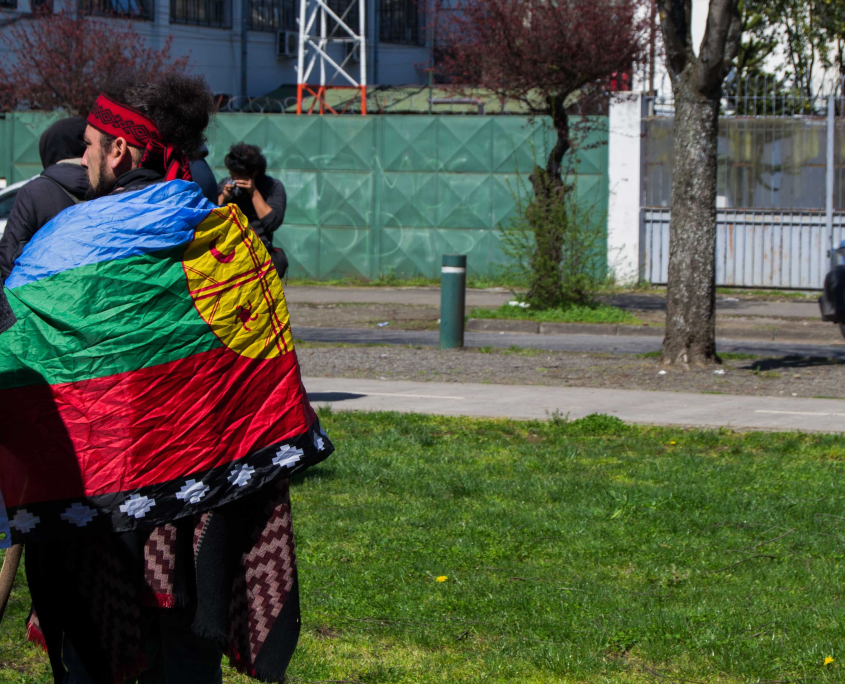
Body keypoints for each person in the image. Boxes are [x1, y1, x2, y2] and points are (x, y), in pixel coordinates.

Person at [13, 74, 329, 684]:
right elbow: (259, 364)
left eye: (90, 143)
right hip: (199, 500)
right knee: (187, 658)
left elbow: (22, 353)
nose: (83, 155)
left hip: (100, 499)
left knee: (92, 654)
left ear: (120, 151)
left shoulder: (64, 244)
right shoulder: (227, 239)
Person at [0, 117, 89, 280]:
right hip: (100, 292)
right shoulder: (114, 187)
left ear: (48, 150)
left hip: (46, 292)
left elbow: (10, 258)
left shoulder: (34, 192)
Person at [218, 143, 289, 277]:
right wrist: (224, 197)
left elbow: (272, 223)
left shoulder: (272, 187)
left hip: (258, 251)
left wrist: (253, 192)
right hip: (228, 251)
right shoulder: (226, 184)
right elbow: (209, 216)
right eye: (232, 175)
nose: (235, 180)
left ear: (254, 172)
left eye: (239, 176)